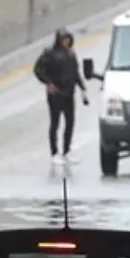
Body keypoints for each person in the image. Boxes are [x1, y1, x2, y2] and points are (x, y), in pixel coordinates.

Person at [34, 28, 89, 164]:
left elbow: (75, 72)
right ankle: (54, 152)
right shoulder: (49, 54)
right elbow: (38, 70)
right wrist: (48, 82)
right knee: (55, 123)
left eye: (68, 40)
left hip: (69, 93)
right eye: (64, 40)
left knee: (70, 122)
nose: (66, 42)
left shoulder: (71, 55)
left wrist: (82, 86)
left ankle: (67, 151)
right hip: (56, 93)